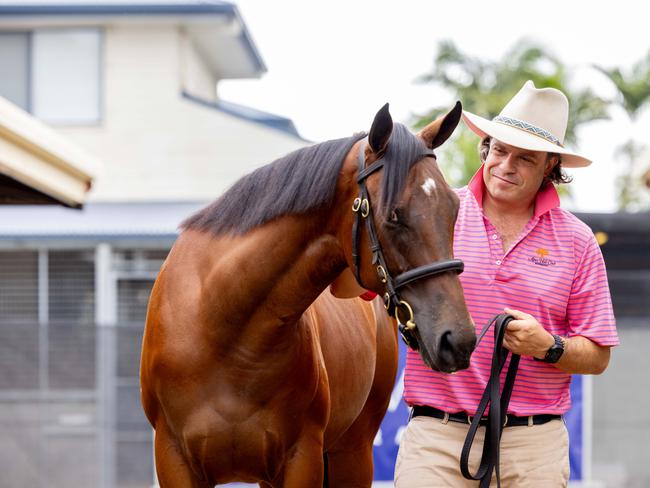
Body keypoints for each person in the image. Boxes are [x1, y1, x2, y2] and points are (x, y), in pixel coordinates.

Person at [393, 80, 619, 487]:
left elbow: (598, 355)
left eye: (525, 159)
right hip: (437, 438)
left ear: (551, 165)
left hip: (535, 446)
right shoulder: (438, 215)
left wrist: (547, 346)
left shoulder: (578, 241)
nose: (505, 165)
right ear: (487, 148)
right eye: (499, 150)